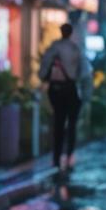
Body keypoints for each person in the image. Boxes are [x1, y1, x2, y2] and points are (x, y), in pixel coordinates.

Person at [39, 23, 92, 171]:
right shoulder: (76, 49)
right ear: (70, 33)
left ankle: (56, 158)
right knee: (72, 124)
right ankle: (69, 155)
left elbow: (42, 73)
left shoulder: (53, 48)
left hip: (55, 90)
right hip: (71, 90)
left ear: (61, 32)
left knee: (58, 122)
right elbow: (84, 72)